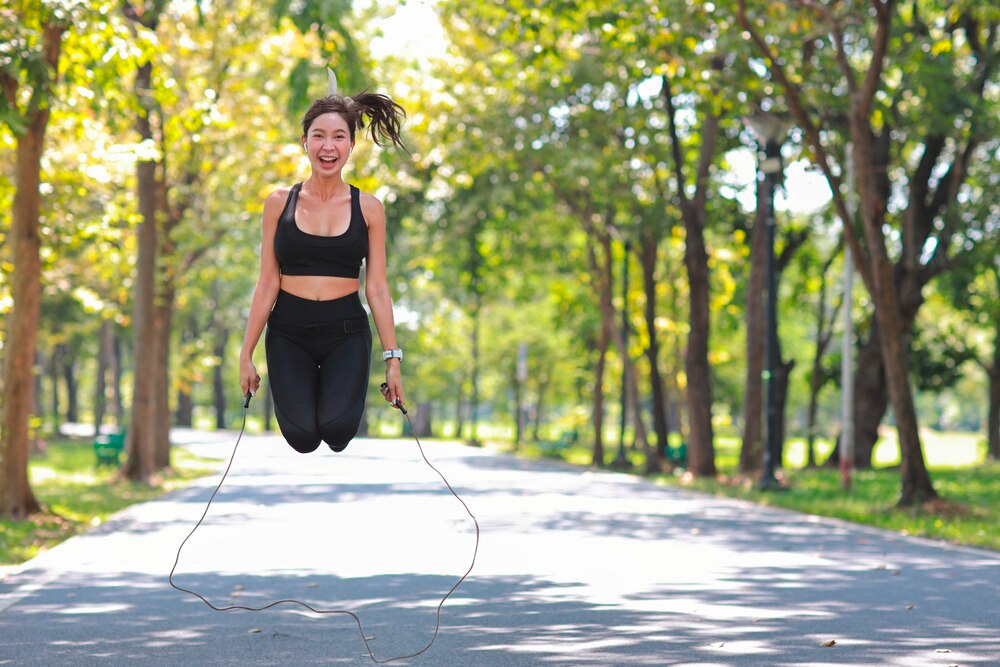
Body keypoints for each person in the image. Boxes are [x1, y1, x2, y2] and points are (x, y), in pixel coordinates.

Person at [239, 88, 407, 453]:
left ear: (351, 146)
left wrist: (392, 361)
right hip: (288, 331)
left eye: (338, 137)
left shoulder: (370, 208)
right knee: (302, 437)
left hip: (345, 331)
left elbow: (376, 288)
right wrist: (245, 354)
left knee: (338, 429)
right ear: (304, 142)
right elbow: (267, 281)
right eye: (319, 136)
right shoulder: (278, 203)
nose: (328, 146)